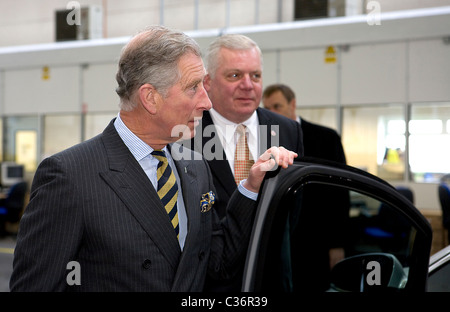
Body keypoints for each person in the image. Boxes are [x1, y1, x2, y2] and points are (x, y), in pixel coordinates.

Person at [9, 26, 297, 292]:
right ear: (150, 97)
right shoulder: (70, 176)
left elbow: (216, 264)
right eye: (193, 87)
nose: (207, 103)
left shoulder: (195, 168)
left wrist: (251, 186)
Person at [188, 34, 304, 291]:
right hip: (211, 285)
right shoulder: (187, 135)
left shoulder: (285, 130)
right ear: (207, 82)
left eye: (256, 76)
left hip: (271, 280)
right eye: (234, 76)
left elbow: (293, 212)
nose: (248, 85)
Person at [263, 83, 350, 291]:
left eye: (277, 106)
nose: (271, 113)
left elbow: (339, 194)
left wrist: (337, 244)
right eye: (266, 109)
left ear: (293, 105)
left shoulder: (325, 138)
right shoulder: (264, 140)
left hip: (316, 239)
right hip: (276, 240)